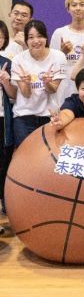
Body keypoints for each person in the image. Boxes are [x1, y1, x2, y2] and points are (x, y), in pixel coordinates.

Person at [11, 20, 66, 148]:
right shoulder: (18, 60)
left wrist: (47, 83)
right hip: (24, 117)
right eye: (31, 37)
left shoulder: (58, 57)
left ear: (46, 37)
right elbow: (25, 93)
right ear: (26, 40)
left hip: (49, 116)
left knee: (48, 156)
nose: (36, 41)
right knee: (24, 155)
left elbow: (53, 90)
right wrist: (27, 83)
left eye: (40, 36)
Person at [50, 0, 84, 105]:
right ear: (68, 9)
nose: (78, 8)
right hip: (63, 90)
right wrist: (62, 53)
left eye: (82, 5)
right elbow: (51, 65)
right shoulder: (59, 33)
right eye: (74, 5)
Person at [0, 21, 17, 216]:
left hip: (3, 118)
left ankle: (4, 200)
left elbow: (13, 95)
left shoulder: (7, 63)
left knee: (4, 161)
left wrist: (5, 82)